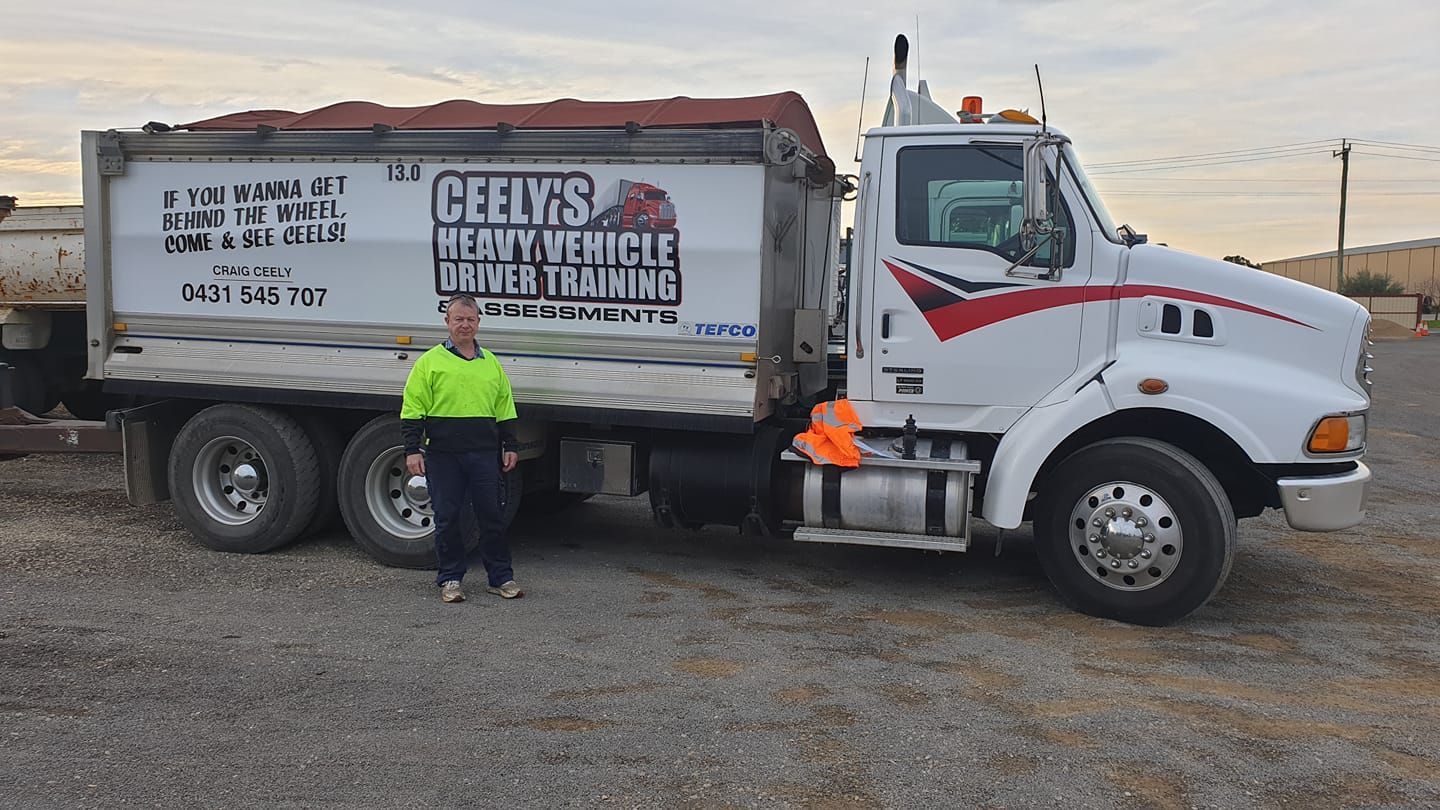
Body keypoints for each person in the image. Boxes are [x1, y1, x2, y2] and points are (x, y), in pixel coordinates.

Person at [401, 294, 522, 603]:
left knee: (491, 516)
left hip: (484, 454)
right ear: (447, 322)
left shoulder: (490, 363)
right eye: (459, 319)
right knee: (447, 517)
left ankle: (501, 578)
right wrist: (412, 449)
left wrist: (510, 444)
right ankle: (451, 579)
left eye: (470, 319)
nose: (465, 325)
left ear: (478, 322)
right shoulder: (429, 363)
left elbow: (504, 407)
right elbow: (413, 408)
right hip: (444, 456)